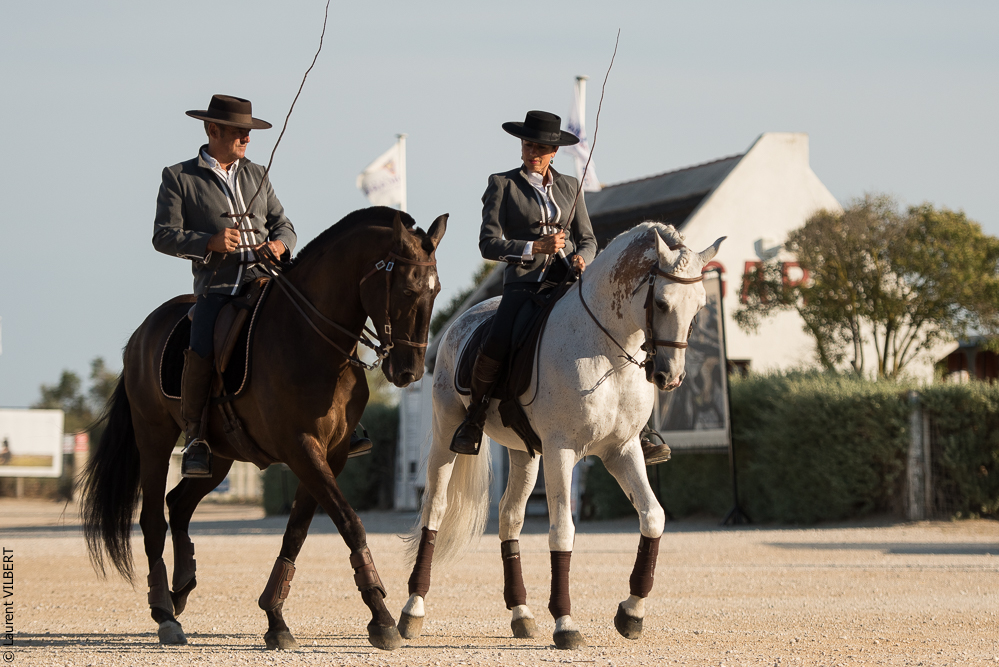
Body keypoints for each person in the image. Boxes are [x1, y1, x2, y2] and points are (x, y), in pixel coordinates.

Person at [153, 94, 296, 478]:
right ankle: (196, 438)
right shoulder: (179, 177)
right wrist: (208, 243)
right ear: (213, 130)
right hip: (218, 287)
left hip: (268, 279)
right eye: (239, 133)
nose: (247, 140)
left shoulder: (258, 174)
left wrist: (280, 244)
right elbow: (163, 236)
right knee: (201, 343)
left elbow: (284, 224)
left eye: (249, 134)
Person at [450, 110, 597, 456]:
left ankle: (640, 428)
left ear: (554, 152)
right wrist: (534, 247)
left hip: (567, 279)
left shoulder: (570, 186)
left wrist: (583, 258)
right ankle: (475, 417)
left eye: (541, 147)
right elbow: (488, 244)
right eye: (528, 144)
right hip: (524, 282)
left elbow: (588, 238)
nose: (533, 152)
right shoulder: (502, 184)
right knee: (500, 337)